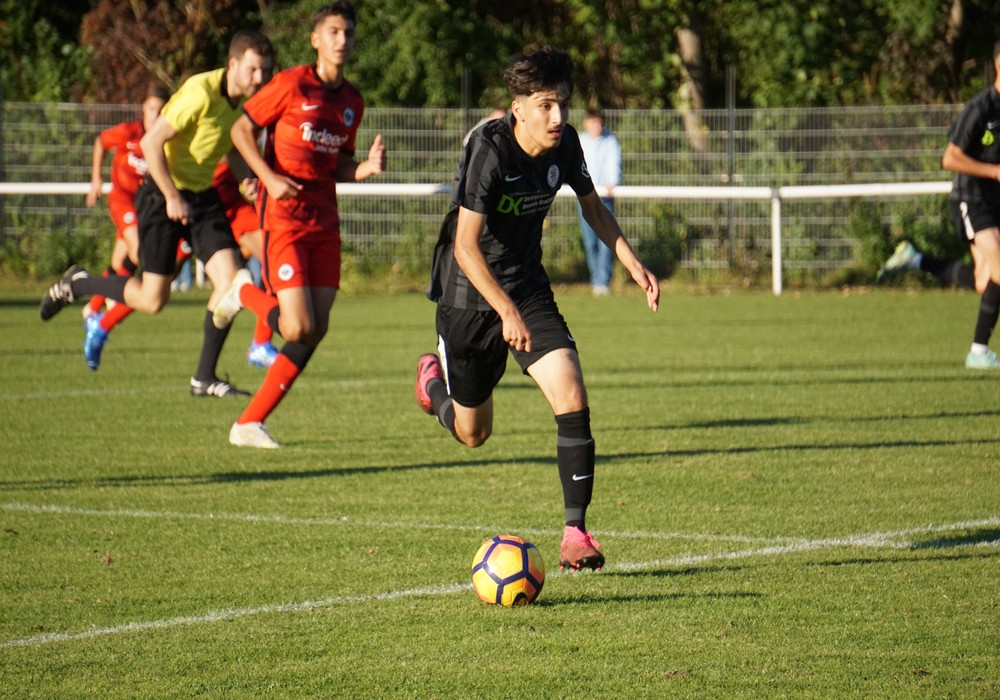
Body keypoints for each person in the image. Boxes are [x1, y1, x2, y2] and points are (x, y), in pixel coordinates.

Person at [413, 47, 659, 572]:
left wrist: (632, 263)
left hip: (526, 288)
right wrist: (502, 311)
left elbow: (593, 206)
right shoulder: (490, 150)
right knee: (473, 433)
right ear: (517, 107)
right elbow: (464, 247)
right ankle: (432, 384)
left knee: (571, 388)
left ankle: (575, 533)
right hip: (468, 297)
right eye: (546, 105)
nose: (558, 117)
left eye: (563, 104)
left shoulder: (565, 144)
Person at [40, 31, 276, 396]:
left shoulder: (241, 105)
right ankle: (79, 284)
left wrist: (247, 179)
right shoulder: (200, 92)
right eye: (253, 70)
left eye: (265, 72)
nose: (259, 79)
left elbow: (228, 150)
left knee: (232, 282)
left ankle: (204, 377)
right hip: (162, 194)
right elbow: (152, 143)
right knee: (152, 300)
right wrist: (170, 196)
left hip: (202, 198)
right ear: (233, 65)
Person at [214, 0, 386, 448]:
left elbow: (340, 165)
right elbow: (239, 132)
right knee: (294, 327)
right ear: (315, 40)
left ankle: (247, 423)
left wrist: (363, 169)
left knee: (317, 327)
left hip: (324, 220)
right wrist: (267, 176)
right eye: (333, 32)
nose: (342, 40)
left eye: (348, 32)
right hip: (284, 218)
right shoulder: (292, 84)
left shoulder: (352, 102)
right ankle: (243, 292)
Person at [934, 38, 1000, 370]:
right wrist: (993, 171)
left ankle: (918, 260)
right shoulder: (981, 107)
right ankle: (978, 352)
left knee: (983, 280)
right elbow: (949, 157)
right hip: (971, 199)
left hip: (995, 202)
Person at [83, 82, 172, 321]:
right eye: (152, 108)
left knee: (117, 263)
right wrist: (96, 179)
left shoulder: (167, 140)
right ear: (144, 108)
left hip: (146, 205)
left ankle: (92, 309)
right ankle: (117, 299)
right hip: (123, 201)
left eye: (162, 110)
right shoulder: (128, 132)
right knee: (137, 253)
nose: (156, 115)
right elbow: (101, 142)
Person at [576, 108, 621, 296]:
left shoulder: (610, 142)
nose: (595, 126)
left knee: (607, 242)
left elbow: (614, 165)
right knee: (590, 242)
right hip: (584, 197)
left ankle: (603, 282)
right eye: (591, 122)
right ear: (586, 123)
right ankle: (597, 279)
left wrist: (612, 183)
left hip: (604, 197)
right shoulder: (580, 140)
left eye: (598, 122)